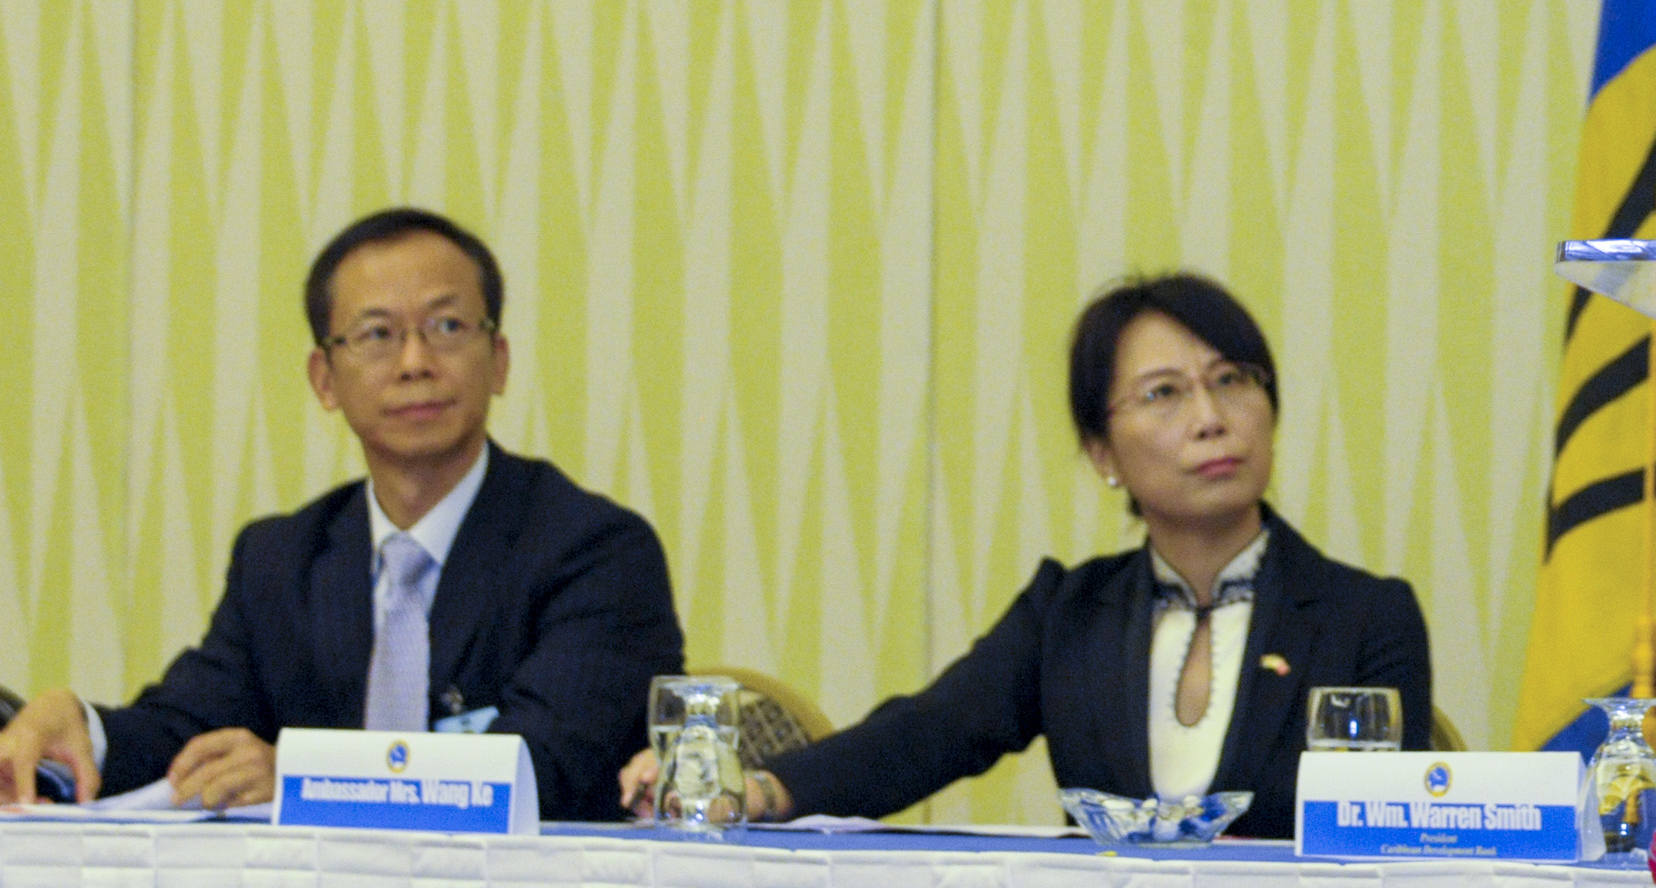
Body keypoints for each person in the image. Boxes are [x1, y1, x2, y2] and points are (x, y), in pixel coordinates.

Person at [624, 271, 1430, 834]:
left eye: (1232, 381)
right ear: (1101, 452)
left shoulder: (1367, 616)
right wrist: (762, 788)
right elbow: (926, 736)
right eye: (1164, 394)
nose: (1211, 417)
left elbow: (1389, 836)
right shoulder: (1069, 614)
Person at [0, 207, 684, 823]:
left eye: (447, 326)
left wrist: (302, 778)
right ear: (324, 380)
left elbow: (537, 767)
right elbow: (188, 735)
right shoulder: (281, 559)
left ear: (498, 361)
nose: (415, 362)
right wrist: (84, 732)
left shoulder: (596, 552)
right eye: (377, 335)